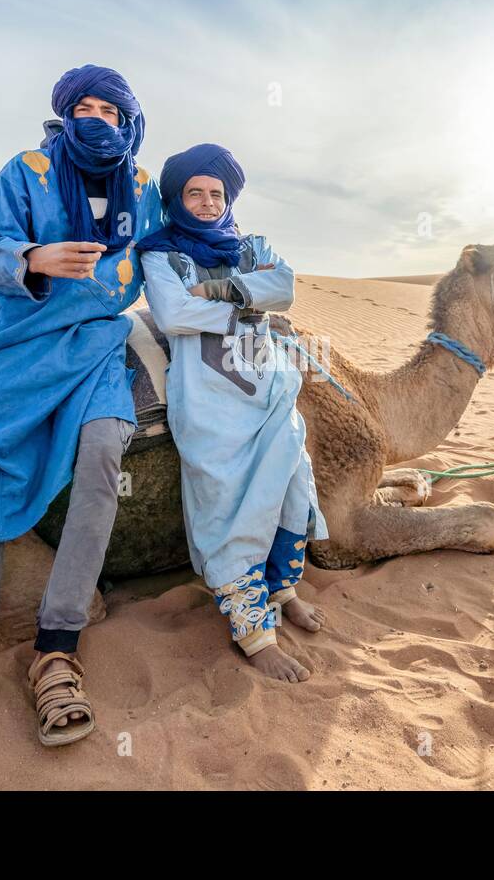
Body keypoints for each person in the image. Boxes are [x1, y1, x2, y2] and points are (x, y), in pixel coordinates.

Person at [0, 65, 163, 785]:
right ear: (64, 114)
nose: (97, 117)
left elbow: (170, 258)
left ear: (130, 118)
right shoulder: (27, 170)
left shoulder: (144, 191)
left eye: (110, 107)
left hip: (96, 345)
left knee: (107, 444)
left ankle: (58, 648)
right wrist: (35, 259)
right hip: (16, 341)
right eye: (84, 106)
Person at [139, 143, 328, 683]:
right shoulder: (160, 254)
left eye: (214, 193)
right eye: (193, 193)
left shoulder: (252, 244)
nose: (204, 202)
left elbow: (285, 287)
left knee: (293, 490)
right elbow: (175, 314)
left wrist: (217, 289)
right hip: (209, 402)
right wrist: (249, 301)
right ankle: (255, 636)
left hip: (270, 391)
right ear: (176, 198)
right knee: (228, 510)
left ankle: (282, 589)